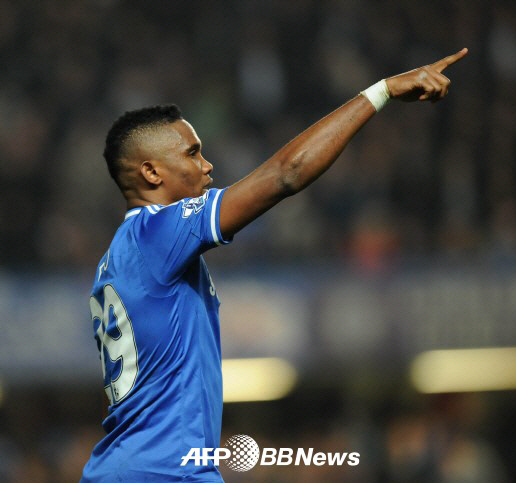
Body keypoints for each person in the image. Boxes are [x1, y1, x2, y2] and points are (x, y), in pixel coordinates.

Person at [81, 48, 468, 482]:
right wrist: (383, 91)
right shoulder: (157, 233)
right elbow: (287, 173)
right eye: (192, 153)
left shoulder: (118, 257)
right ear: (152, 173)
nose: (207, 166)